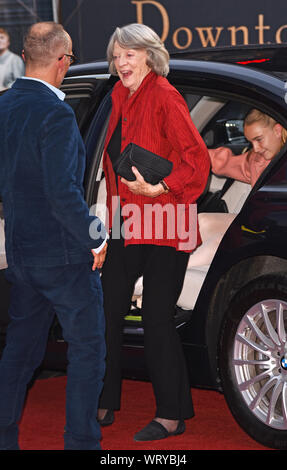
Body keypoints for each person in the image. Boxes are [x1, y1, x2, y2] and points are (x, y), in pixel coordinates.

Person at [97, 23, 210, 441]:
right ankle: (103, 398)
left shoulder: (164, 95)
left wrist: (161, 186)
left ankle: (171, 414)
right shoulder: (117, 97)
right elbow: (112, 173)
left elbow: (196, 160)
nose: (121, 62)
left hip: (166, 221)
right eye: (116, 55)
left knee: (156, 318)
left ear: (149, 55)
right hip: (126, 223)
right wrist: (107, 229)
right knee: (107, 310)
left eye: (129, 54)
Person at [0, 22, 108, 450]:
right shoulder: (57, 113)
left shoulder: (4, 106)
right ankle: (82, 443)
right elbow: (63, 192)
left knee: (20, 352)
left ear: (26, 56)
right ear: (63, 62)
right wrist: (96, 237)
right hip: (63, 257)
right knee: (88, 351)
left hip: (21, 254)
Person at [188, 109, 287, 268]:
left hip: (277, 237)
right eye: (251, 142)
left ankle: (152, 282)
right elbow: (222, 162)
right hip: (258, 226)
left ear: (277, 130)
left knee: (219, 243)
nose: (255, 148)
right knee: (200, 222)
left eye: (259, 139)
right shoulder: (256, 161)